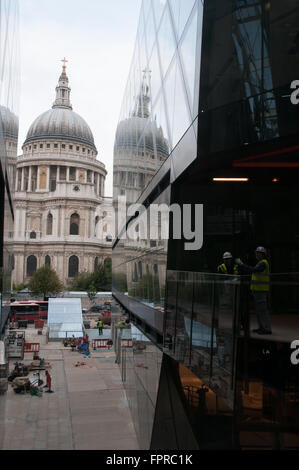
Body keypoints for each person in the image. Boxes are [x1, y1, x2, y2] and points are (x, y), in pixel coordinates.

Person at [236, 246, 272, 335]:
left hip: (261, 290)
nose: (256, 254)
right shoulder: (260, 263)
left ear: (262, 254)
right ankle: (262, 327)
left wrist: (242, 265)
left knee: (262, 310)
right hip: (257, 290)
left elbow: (254, 270)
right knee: (259, 310)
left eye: (258, 253)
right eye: (256, 253)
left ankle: (266, 329)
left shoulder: (263, 263)